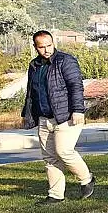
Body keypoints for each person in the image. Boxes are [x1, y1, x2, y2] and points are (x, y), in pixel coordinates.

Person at [21, 30, 95, 203]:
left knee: (64, 151)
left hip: (66, 116)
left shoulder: (65, 61)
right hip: (44, 118)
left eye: (49, 45)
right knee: (50, 158)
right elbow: (31, 92)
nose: (46, 50)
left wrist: (78, 110)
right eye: (42, 47)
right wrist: (27, 114)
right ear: (35, 47)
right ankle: (55, 195)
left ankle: (87, 179)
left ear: (53, 43)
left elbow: (76, 86)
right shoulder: (34, 65)